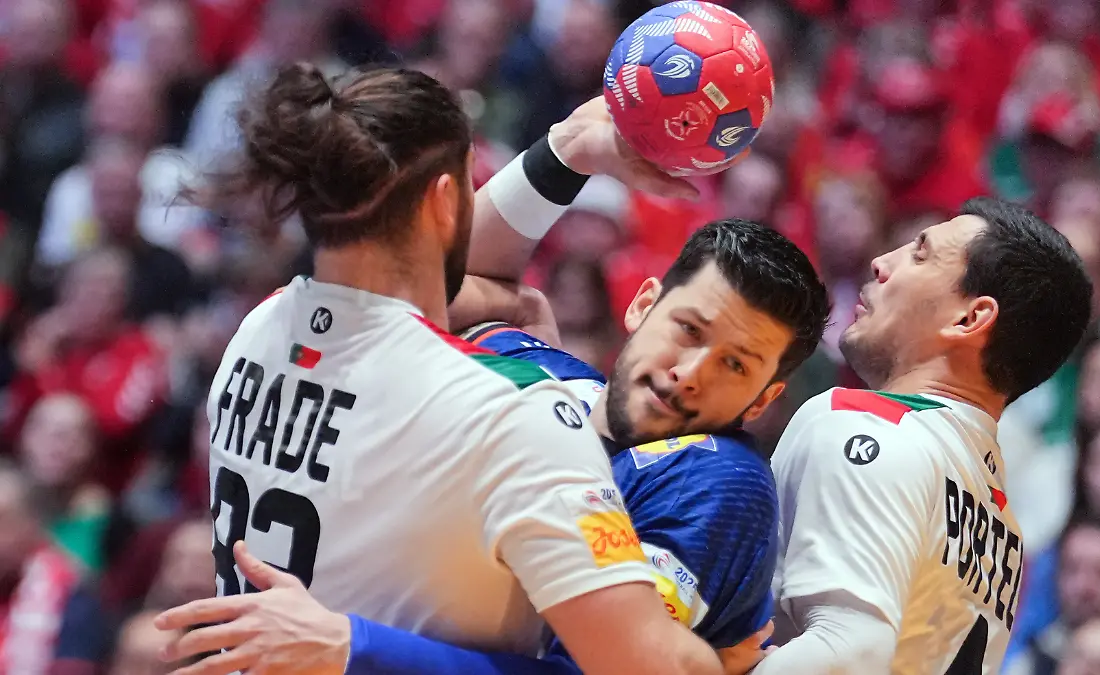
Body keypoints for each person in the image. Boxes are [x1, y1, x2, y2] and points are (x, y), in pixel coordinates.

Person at [156, 106, 832, 675]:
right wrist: (564, 153)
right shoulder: (530, 366)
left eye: (736, 366)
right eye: (689, 329)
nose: (693, 371)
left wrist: (354, 645)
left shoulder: (715, 478)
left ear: (763, 401)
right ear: (640, 305)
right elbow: (434, 282)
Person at [755, 197, 1095, 673]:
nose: (881, 262)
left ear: (969, 319)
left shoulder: (867, 423)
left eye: (919, 254)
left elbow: (849, 651)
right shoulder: (1001, 524)